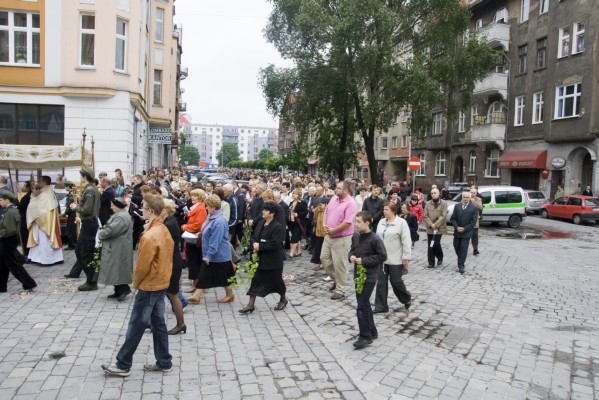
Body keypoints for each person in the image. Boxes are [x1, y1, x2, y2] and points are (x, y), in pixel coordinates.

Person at [101, 193, 174, 377]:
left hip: (150, 285)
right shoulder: (162, 229)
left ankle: (123, 364)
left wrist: (136, 283)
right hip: (160, 282)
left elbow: (143, 265)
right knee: (158, 324)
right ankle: (164, 361)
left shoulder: (151, 234)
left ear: (150, 210)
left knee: (136, 325)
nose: (141, 209)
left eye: (143, 207)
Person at [239, 201, 287, 314]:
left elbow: (275, 244)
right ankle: (250, 305)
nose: (263, 212)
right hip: (260, 259)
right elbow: (254, 236)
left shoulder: (277, 227)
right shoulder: (261, 223)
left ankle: (283, 299)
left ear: (272, 214)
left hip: (273, 261)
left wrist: (260, 246)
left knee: (277, 282)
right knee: (255, 281)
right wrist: (254, 244)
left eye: (265, 210)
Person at [348, 211, 387, 349]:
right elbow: (352, 250)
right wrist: (351, 257)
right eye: (355, 221)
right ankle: (372, 331)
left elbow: (382, 256)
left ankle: (365, 336)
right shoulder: (356, 236)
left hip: (370, 276)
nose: (356, 224)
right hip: (358, 275)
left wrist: (364, 260)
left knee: (361, 305)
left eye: (358, 222)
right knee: (363, 303)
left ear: (367, 222)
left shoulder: (375, 239)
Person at [189, 194, 235, 304]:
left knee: (212, 275)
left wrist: (209, 255)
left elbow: (216, 240)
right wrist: (201, 234)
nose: (206, 208)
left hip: (218, 255)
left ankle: (197, 295)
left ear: (213, 207)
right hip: (214, 254)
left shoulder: (219, 221)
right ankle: (229, 294)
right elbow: (206, 229)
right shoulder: (211, 217)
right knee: (220, 276)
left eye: (208, 206)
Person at [321, 180, 358, 300]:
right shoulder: (334, 198)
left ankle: (340, 290)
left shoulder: (351, 203)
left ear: (346, 190)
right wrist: (324, 224)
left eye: (338, 188)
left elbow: (347, 222)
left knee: (339, 264)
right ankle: (336, 280)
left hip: (342, 238)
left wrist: (334, 230)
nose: (336, 189)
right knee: (324, 259)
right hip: (329, 236)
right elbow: (326, 211)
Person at [65, 167, 101, 290]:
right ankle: (90, 278)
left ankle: (92, 281)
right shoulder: (90, 189)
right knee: (79, 251)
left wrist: (76, 207)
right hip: (88, 222)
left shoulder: (90, 190)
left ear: (85, 176)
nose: (80, 178)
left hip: (90, 223)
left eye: (81, 176)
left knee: (85, 253)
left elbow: (87, 209)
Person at [374, 203, 411, 314]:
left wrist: (406, 258)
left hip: (396, 259)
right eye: (383, 210)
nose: (384, 212)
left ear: (393, 211)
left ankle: (406, 298)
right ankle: (381, 306)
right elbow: (376, 239)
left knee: (396, 282)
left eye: (386, 210)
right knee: (381, 283)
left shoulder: (401, 223)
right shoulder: (381, 222)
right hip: (382, 259)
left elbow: (406, 241)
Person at [0, 189, 37, 293]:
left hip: (8, 240)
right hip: (6, 240)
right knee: (2, 265)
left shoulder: (10, 212)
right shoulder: (8, 211)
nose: (0, 202)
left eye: (1, 200)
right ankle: (1, 286)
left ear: (7, 200)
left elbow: (8, 230)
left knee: (13, 265)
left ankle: (29, 282)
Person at [97, 197, 133, 301]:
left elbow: (111, 230)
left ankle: (123, 289)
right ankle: (118, 290)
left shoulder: (121, 217)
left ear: (117, 206)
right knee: (115, 268)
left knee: (117, 268)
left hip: (118, 247)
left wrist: (101, 233)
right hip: (118, 246)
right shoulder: (121, 215)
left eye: (113, 205)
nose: (111, 207)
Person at [26, 176, 64, 266]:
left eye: (40, 181)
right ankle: (35, 257)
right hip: (42, 220)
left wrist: (33, 200)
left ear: (44, 182)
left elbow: (37, 206)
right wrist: (34, 194)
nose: (38, 182)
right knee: (40, 240)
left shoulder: (47, 193)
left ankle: (47, 260)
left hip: (44, 221)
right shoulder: (44, 191)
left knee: (45, 240)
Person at [162, 199, 187, 335]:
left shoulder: (169, 223)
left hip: (172, 262)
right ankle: (150, 320)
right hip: (172, 261)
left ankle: (180, 324)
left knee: (173, 294)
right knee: (167, 293)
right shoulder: (169, 221)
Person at [182, 189, 207, 303]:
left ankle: (195, 285)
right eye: (192, 195)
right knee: (192, 261)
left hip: (195, 239)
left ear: (200, 198)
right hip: (191, 238)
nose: (192, 198)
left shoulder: (200, 208)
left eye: (195, 196)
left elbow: (198, 225)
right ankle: (195, 283)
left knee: (194, 262)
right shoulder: (195, 208)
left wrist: (185, 227)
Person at [450, 192, 478, 274]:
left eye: (467, 197)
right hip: (457, 231)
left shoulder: (473, 208)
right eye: (464, 197)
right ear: (462, 198)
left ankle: (461, 265)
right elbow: (453, 218)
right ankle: (461, 258)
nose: (465, 199)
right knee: (456, 246)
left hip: (466, 232)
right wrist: (456, 227)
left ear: (469, 198)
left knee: (463, 248)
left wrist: (464, 228)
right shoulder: (457, 206)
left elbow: (473, 222)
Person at [423, 188, 448, 269]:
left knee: (436, 244)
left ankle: (440, 256)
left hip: (440, 228)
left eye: (435, 193)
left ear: (438, 194)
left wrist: (436, 225)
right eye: (432, 193)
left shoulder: (444, 203)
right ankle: (431, 262)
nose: (433, 194)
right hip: (430, 228)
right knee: (430, 245)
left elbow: (443, 215)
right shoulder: (428, 204)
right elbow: (425, 216)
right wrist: (431, 225)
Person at [288, 189, 308, 258]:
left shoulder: (302, 202)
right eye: (293, 194)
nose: (293, 195)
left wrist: (298, 214)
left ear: (299, 195)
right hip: (292, 222)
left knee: (294, 238)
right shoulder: (291, 202)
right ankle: (299, 251)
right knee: (297, 237)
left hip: (299, 223)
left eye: (295, 194)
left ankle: (291, 252)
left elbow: (305, 212)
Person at [310, 198, 328, 271]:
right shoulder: (317, 210)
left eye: (321, 204)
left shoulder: (328, 211)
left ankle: (323, 264)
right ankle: (320, 263)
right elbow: (315, 220)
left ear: (326, 204)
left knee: (325, 250)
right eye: (319, 204)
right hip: (318, 232)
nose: (319, 206)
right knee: (318, 248)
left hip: (325, 233)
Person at [17, 181, 33, 255]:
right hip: (26, 218)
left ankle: (26, 252)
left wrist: (17, 201)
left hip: (25, 219)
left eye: (24, 186)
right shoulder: (28, 195)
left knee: (25, 237)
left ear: (28, 187)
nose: (23, 187)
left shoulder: (28, 196)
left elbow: (20, 206)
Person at [63, 182, 77, 250]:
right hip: (74, 213)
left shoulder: (71, 194)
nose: (65, 188)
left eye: (65, 186)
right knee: (73, 229)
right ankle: (73, 243)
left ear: (68, 186)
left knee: (71, 229)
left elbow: (69, 206)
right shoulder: (73, 193)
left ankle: (72, 244)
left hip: (72, 214)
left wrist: (65, 213)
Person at [469, 187, 483, 256]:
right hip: (467, 220)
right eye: (471, 192)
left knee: (475, 236)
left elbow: (480, 207)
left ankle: (475, 249)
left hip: (475, 221)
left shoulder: (478, 199)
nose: (472, 194)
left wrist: (473, 200)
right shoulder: (466, 198)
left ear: (476, 194)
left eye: (474, 193)